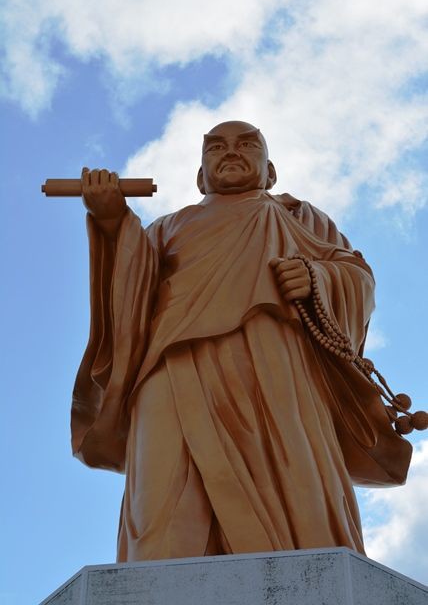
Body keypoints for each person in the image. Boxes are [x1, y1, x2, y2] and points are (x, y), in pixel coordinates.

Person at [71, 120, 411, 562]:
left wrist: (316, 277)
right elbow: (129, 296)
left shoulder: (298, 217)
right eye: (216, 148)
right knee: (161, 496)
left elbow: (357, 278)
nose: (230, 152)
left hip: (274, 363)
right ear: (200, 176)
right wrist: (114, 221)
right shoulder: (167, 229)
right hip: (170, 368)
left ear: (269, 172)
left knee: (294, 480)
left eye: (247, 144)